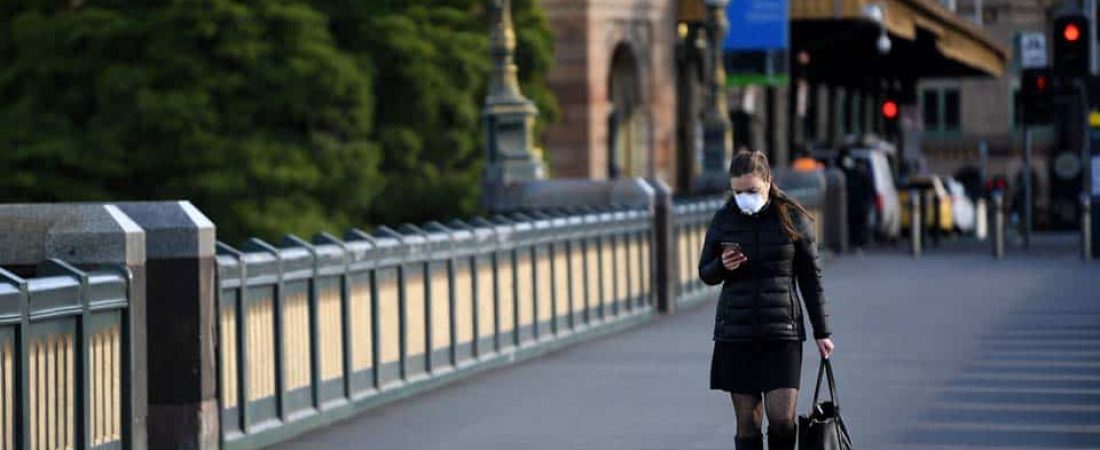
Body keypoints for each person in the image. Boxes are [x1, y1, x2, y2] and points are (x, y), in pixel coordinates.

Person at [698, 150, 835, 450]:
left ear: (768, 181)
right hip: (737, 331)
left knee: (783, 419)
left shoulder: (792, 217)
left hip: (781, 331)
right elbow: (705, 272)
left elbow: (810, 277)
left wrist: (822, 331)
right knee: (748, 423)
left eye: (751, 190)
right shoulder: (724, 219)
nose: (744, 197)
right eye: (737, 192)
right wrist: (723, 265)